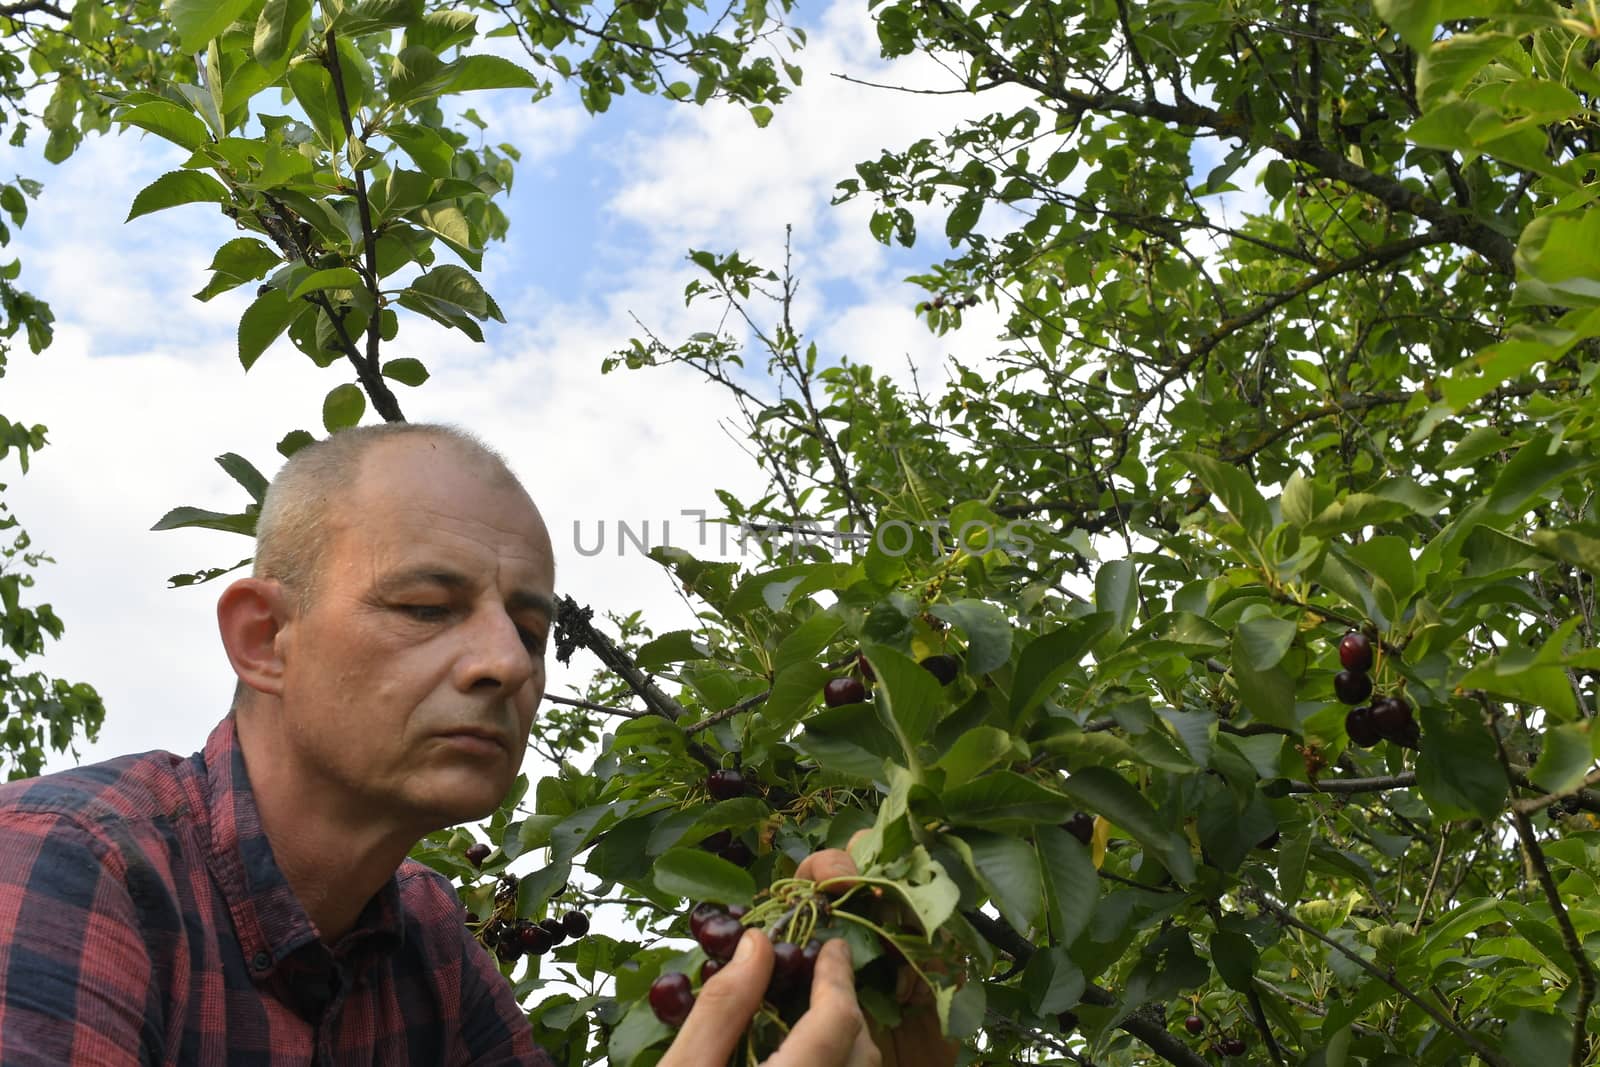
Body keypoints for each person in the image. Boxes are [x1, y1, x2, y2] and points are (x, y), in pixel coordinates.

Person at [0, 423, 915, 1066]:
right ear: (264, 639)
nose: (504, 663)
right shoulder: (72, 864)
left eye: (531, 628)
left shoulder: (428, 941)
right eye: (426, 607)